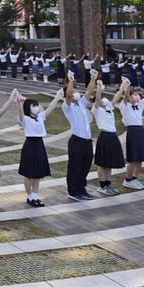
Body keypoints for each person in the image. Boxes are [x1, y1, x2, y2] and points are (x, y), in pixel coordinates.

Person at [19, 88, 63, 207]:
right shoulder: (25, 119)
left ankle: (35, 195)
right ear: (28, 107)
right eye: (33, 105)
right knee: (28, 173)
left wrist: (57, 97)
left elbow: (50, 108)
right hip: (30, 144)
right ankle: (29, 196)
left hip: (39, 144)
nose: (36, 107)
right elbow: (20, 115)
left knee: (38, 173)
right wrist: (18, 103)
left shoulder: (40, 117)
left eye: (37, 105)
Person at [61, 70, 95, 201]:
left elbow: (89, 91)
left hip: (87, 141)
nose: (76, 92)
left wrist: (93, 78)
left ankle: (82, 189)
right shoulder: (67, 106)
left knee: (85, 166)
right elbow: (68, 95)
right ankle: (73, 191)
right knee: (75, 167)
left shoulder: (81, 104)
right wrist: (70, 81)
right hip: (77, 141)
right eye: (73, 90)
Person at [117, 78, 144, 189]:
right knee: (133, 158)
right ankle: (128, 179)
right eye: (134, 95)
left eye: (137, 95)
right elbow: (126, 97)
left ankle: (134, 178)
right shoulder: (125, 106)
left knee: (140, 157)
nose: (137, 96)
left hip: (140, 130)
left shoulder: (140, 105)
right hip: (132, 131)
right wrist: (127, 86)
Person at [90, 80, 125, 196]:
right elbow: (97, 100)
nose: (105, 100)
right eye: (102, 99)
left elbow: (116, 98)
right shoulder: (96, 110)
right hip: (104, 136)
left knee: (109, 163)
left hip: (113, 136)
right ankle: (102, 185)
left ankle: (108, 184)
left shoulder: (109, 108)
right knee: (102, 163)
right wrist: (99, 87)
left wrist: (123, 87)